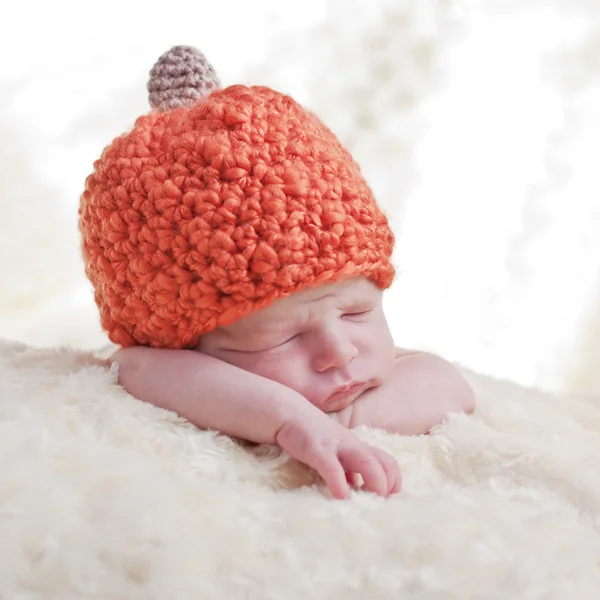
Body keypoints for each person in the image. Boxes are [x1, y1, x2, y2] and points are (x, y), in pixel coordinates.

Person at [79, 46, 475, 501]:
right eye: (283, 338)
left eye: (357, 313)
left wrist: (334, 424)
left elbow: (449, 387)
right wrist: (286, 418)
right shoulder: (158, 363)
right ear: (185, 344)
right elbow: (135, 366)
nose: (340, 351)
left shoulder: (363, 364)